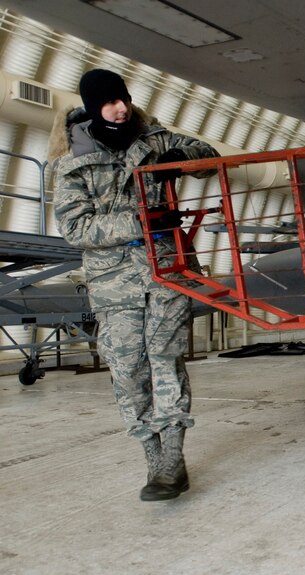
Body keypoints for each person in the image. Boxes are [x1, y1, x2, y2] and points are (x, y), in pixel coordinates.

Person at [48, 69, 219, 501]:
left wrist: (178, 157)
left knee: (165, 358)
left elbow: (209, 157)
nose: (119, 108)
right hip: (112, 283)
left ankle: (173, 463)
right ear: (92, 107)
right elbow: (76, 227)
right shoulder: (72, 164)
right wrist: (139, 220)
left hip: (165, 271)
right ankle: (152, 457)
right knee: (127, 371)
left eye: (122, 99)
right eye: (108, 102)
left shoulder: (153, 140)